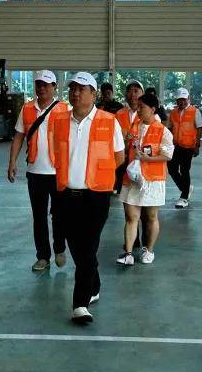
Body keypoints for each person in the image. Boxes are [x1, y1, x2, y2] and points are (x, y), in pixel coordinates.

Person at [50, 72, 125, 325]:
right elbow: (56, 153)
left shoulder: (109, 121)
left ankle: (79, 304)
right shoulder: (60, 120)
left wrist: (97, 175)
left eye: (81, 89)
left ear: (94, 94)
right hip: (66, 194)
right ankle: (94, 285)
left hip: (96, 196)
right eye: (72, 88)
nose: (75, 93)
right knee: (78, 248)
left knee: (88, 247)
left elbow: (119, 157)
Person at [7, 70, 69, 272]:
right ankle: (43, 256)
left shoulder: (65, 109)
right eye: (39, 84)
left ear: (54, 87)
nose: (42, 88)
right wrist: (12, 161)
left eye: (46, 85)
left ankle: (60, 248)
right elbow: (18, 136)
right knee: (39, 217)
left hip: (58, 172)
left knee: (59, 215)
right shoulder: (26, 109)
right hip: (35, 172)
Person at [117, 93, 173, 266]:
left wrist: (148, 159)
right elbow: (125, 150)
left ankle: (149, 250)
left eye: (142, 107)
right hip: (133, 178)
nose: (138, 109)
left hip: (152, 180)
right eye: (138, 106)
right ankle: (128, 253)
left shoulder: (163, 131)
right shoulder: (134, 127)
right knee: (131, 216)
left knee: (151, 217)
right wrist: (126, 142)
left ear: (153, 109)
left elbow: (168, 155)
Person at [166, 88, 202, 208]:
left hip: (188, 146)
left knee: (184, 170)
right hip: (175, 145)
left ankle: (184, 197)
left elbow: (199, 128)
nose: (182, 102)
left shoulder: (195, 111)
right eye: (179, 100)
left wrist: (197, 145)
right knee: (171, 168)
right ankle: (186, 188)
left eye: (184, 99)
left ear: (188, 99)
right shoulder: (173, 112)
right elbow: (169, 128)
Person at [113, 80, 145, 194]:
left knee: (139, 193)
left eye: (136, 91)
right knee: (124, 192)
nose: (132, 94)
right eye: (130, 91)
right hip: (123, 158)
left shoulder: (147, 113)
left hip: (140, 159)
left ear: (142, 94)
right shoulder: (119, 114)